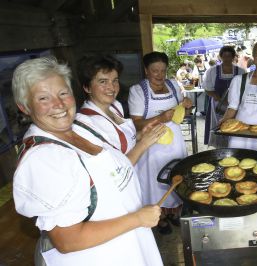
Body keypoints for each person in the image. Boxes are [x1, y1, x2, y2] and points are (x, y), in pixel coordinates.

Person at [12, 57, 163, 265]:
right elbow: (67, 240)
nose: (59, 104)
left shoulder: (76, 129)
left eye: (63, 93)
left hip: (127, 243)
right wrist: (137, 219)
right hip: (100, 257)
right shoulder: (43, 159)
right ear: (25, 107)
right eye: (43, 98)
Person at [128, 51, 192, 234]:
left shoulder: (173, 84)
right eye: (155, 71)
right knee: (154, 180)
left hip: (175, 141)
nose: (160, 75)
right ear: (146, 70)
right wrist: (161, 118)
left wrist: (187, 105)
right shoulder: (138, 91)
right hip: (152, 143)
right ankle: (160, 217)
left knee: (176, 175)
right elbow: (136, 123)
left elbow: (182, 114)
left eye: (163, 71)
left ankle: (173, 212)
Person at [75, 54, 164, 165]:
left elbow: (118, 142)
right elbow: (115, 169)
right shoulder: (86, 123)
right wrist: (144, 144)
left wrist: (141, 134)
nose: (112, 87)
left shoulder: (115, 106)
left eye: (115, 80)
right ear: (87, 87)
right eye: (103, 81)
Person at [203, 46, 246, 147]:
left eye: (229, 56)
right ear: (221, 57)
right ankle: (219, 147)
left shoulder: (241, 72)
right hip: (217, 105)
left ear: (233, 57)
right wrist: (221, 100)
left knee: (234, 128)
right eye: (224, 56)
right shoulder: (212, 71)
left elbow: (245, 90)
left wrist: (232, 102)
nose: (227, 58)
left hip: (236, 106)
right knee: (218, 127)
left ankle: (235, 147)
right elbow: (207, 89)